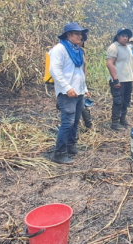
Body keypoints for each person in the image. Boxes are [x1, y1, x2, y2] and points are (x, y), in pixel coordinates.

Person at [49, 22, 89, 164]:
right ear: (69, 35)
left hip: (78, 92)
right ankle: (59, 153)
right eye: (77, 33)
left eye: (81, 33)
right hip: (67, 93)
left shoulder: (77, 50)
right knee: (67, 122)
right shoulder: (59, 49)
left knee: (75, 121)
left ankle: (71, 146)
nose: (80, 36)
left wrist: (84, 89)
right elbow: (54, 71)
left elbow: (79, 73)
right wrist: (67, 87)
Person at [106, 28, 133, 131]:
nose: (125, 38)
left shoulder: (128, 48)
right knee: (118, 101)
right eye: (123, 36)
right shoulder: (114, 47)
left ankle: (122, 120)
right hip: (119, 80)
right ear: (118, 36)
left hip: (128, 79)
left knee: (126, 101)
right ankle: (115, 123)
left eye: (126, 36)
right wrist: (115, 80)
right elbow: (110, 64)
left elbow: (131, 63)